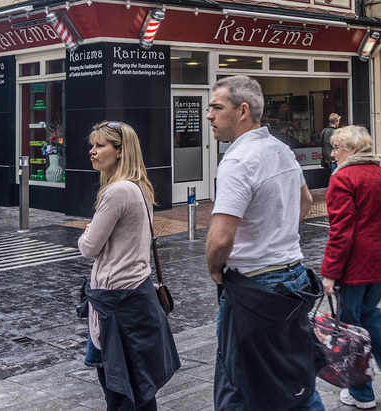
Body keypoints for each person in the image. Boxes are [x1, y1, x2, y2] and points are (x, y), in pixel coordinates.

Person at [204, 76, 324, 411]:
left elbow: (221, 237)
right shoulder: (280, 149)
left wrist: (214, 268)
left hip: (254, 288)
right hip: (293, 277)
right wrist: (279, 235)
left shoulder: (238, 160)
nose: (209, 115)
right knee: (295, 379)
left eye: (216, 107)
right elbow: (305, 200)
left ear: (243, 111)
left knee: (240, 387)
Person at [78, 120, 180, 411]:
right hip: (136, 296)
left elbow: (88, 247)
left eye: (100, 145)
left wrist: (87, 230)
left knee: (120, 391)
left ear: (120, 151)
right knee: (140, 387)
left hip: (115, 302)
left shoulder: (116, 192)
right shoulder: (139, 188)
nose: (92, 151)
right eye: (93, 145)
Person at [320, 125, 381, 409]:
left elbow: (341, 231)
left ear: (351, 150)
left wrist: (329, 272)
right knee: (370, 314)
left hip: (354, 267)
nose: (332, 153)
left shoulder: (343, 179)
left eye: (336, 147)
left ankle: (361, 393)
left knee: (350, 328)